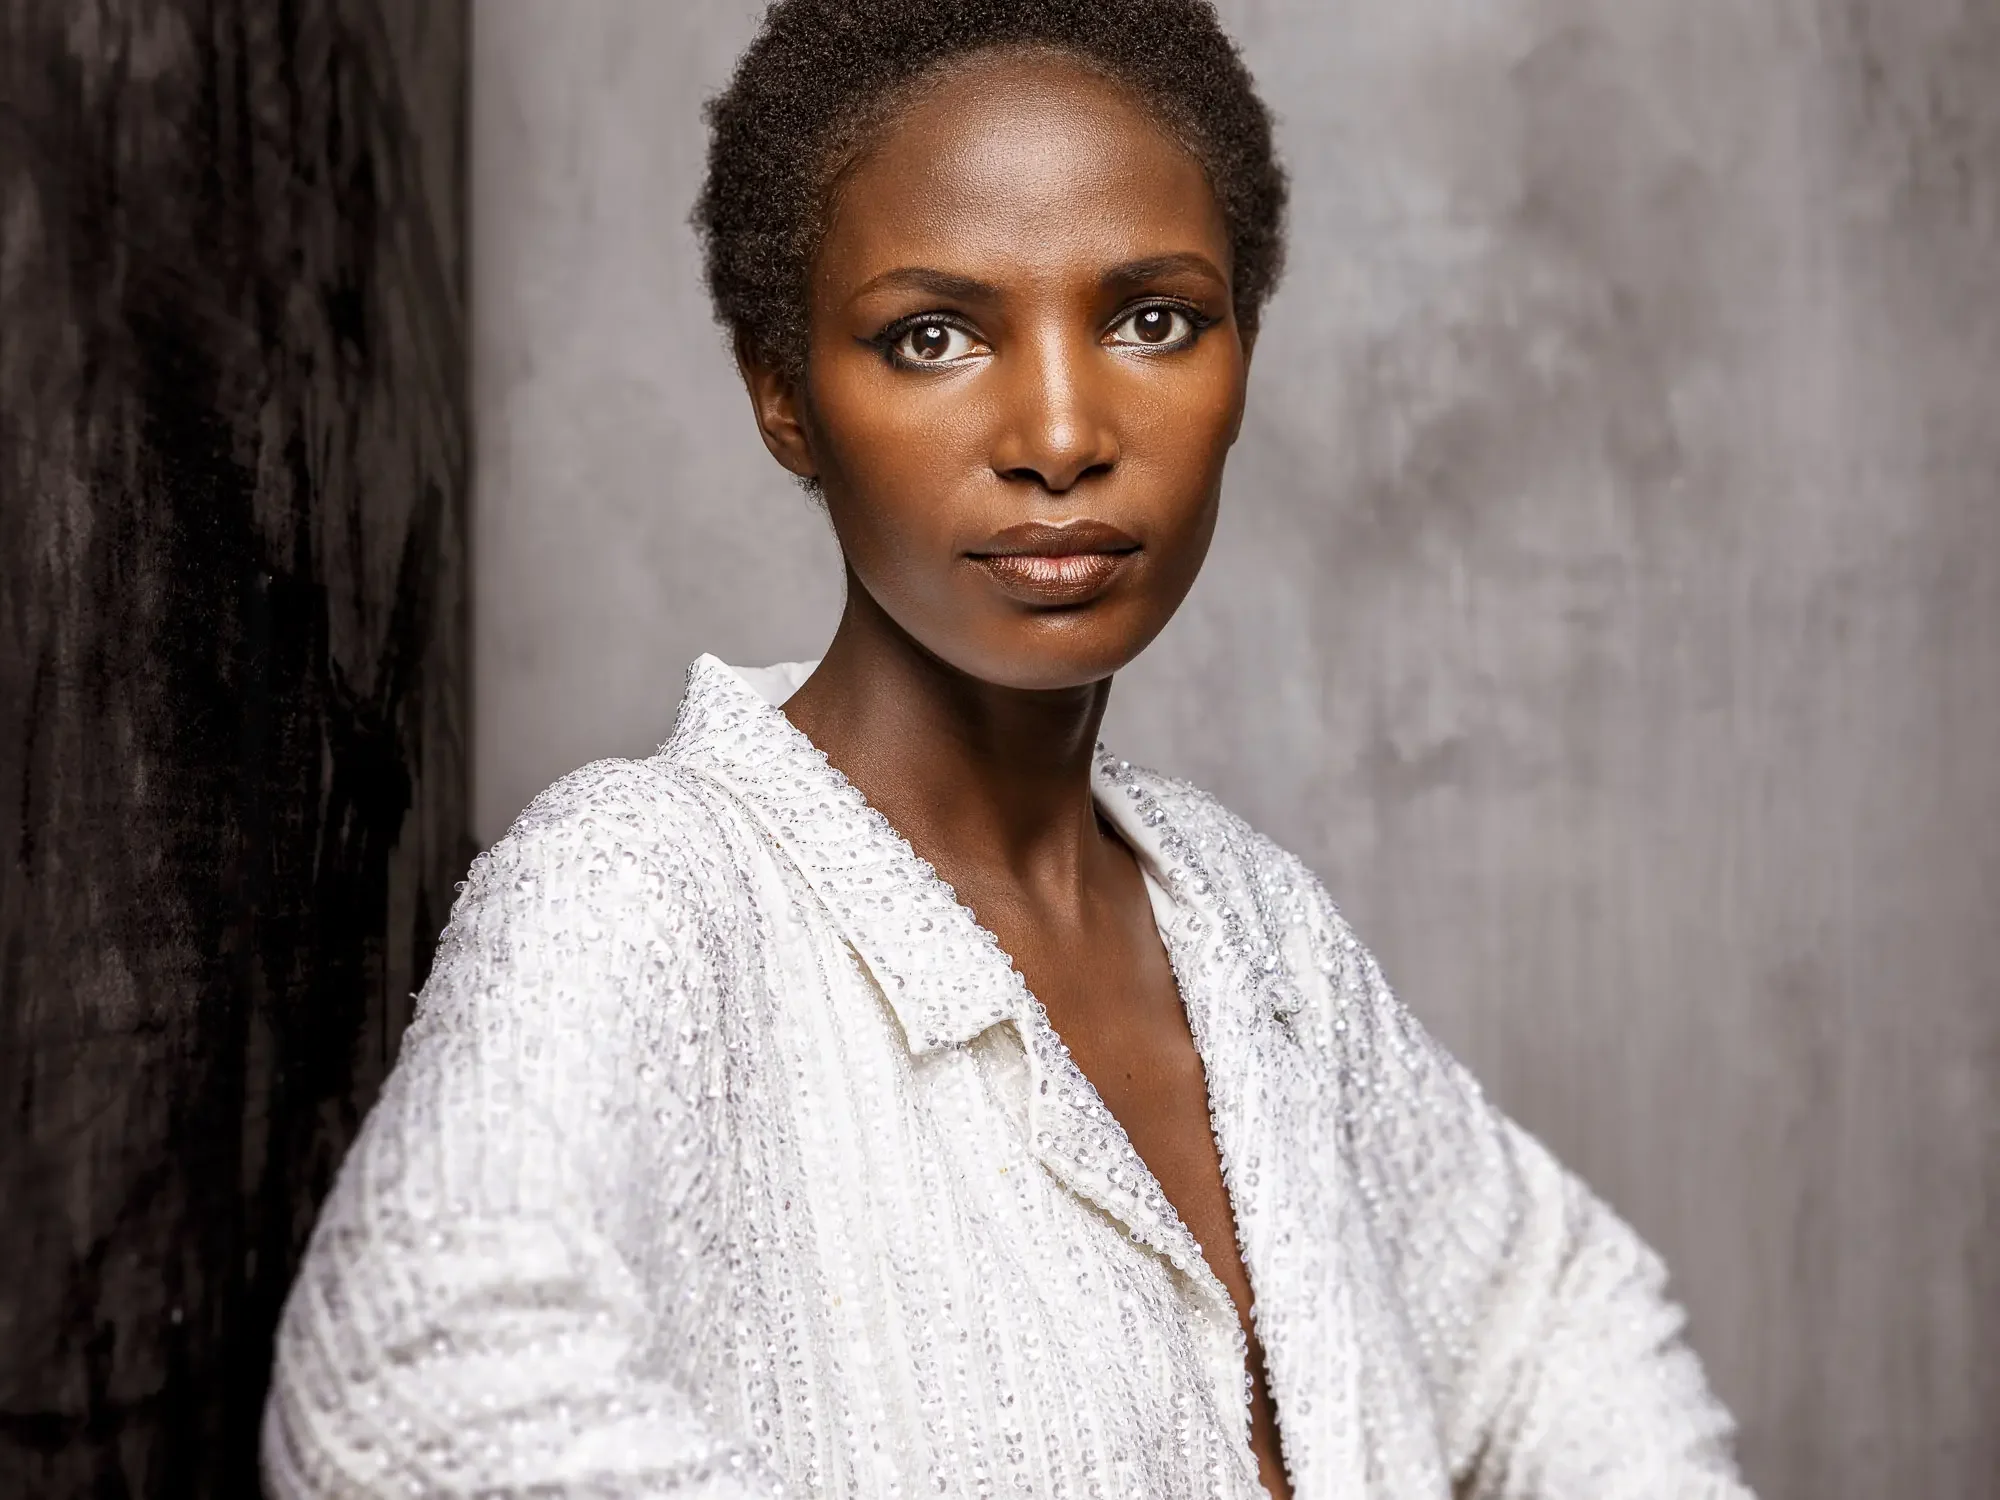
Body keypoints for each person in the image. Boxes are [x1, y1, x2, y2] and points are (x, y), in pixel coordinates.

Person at [263, 2, 1754, 1495]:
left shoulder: (1253, 932)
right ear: (783, 392)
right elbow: (404, 1408)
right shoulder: (641, 890)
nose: (1060, 431)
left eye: (1152, 318)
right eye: (935, 335)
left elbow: (1559, 1319)